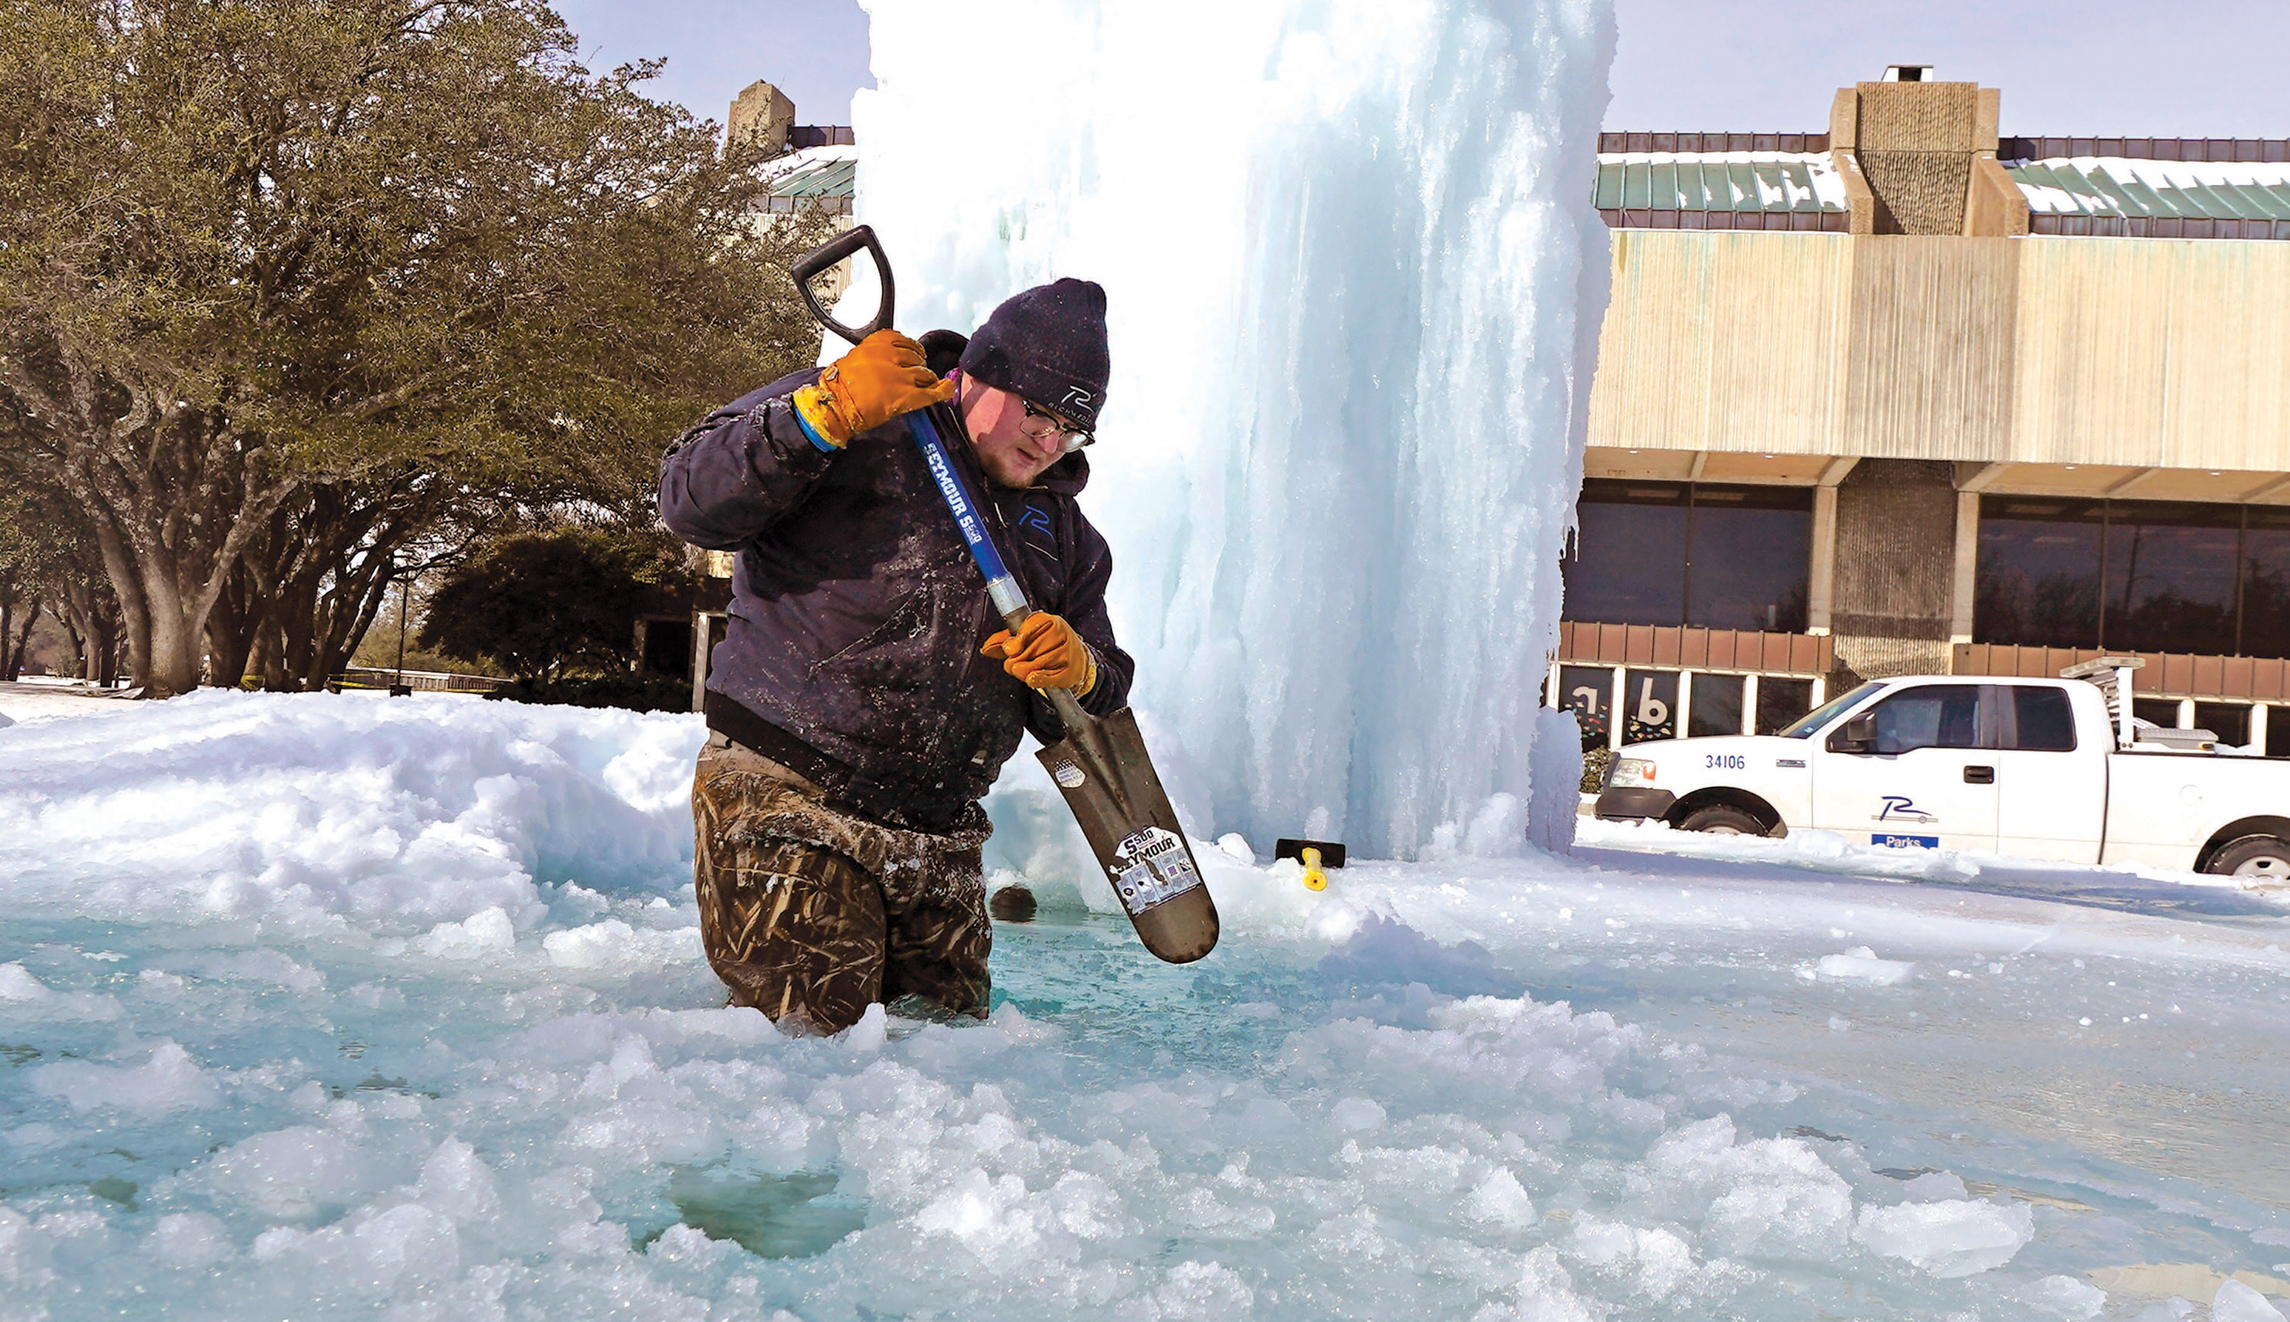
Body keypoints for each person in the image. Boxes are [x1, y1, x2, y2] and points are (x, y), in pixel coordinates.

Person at [656, 279, 1132, 1035]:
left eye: (1073, 430)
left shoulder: (1067, 539)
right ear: (976, 374)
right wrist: (818, 417)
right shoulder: (858, 409)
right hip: (791, 795)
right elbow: (688, 501)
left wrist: (1079, 671)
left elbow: (1096, 699)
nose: (1049, 442)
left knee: (946, 1065)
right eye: (1038, 411)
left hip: (942, 836)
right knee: (808, 1051)